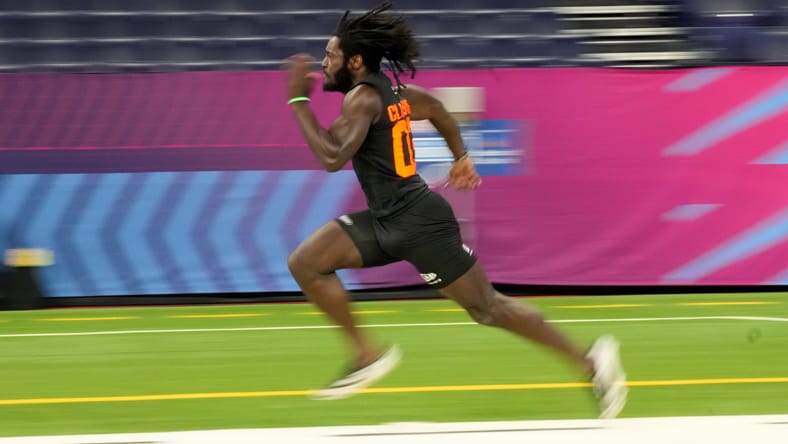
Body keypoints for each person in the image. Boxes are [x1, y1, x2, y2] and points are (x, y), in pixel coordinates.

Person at [285, 1, 627, 418]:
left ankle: (592, 362)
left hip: (417, 222)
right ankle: (366, 356)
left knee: (488, 309)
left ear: (355, 61)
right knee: (307, 262)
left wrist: (298, 100)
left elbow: (333, 158)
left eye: (331, 55)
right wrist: (461, 155)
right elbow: (438, 110)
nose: (324, 63)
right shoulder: (393, 92)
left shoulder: (362, 98)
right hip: (388, 218)